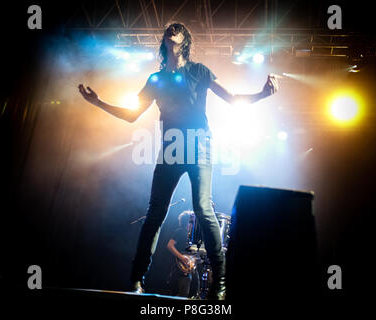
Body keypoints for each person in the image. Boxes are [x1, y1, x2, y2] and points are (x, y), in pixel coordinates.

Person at [78, 22, 278, 300]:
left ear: (185, 41)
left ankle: (219, 286)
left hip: (199, 146)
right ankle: (136, 282)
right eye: (169, 27)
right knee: (155, 213)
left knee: (203, 208)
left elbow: (232, 99)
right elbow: (131, 114)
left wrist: (262, 94)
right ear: (165, 40)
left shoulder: (199, 71)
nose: (173, 28)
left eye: (178, 28)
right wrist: (99, 103)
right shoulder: (156, 79)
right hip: (171, 149)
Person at [166, 211, 199, 298]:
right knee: (183, 293)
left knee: (195, 292)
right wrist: (182, 257)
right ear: (186, 221)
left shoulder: (194, 236)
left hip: (192, 266)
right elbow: (169, 245)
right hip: (181, 266)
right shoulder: (180, 231)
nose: (194, 223)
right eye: (191, 221)